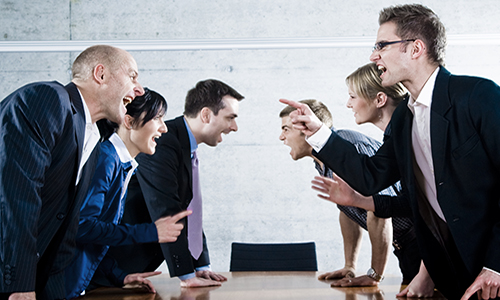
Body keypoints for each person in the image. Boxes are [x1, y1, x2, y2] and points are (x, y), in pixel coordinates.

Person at [282, 3, 500, 300]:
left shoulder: (478, 95)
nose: (374, 56)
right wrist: (319, 132)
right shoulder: (404, 119)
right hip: (456, 276)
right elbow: (371, 177)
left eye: (382, 45)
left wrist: (495, 266)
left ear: (415, 48)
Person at [0, 45, 144, 300]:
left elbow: (63, 228)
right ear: (100, 74)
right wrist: (20, 287)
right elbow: (18, 198)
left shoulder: (92, 135)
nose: (139, 89)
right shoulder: (48, 98)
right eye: (132, 76)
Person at [90, 79, 244, 289]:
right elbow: (166, 208)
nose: (234, 127)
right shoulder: (161, 142)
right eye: (230, 118)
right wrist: (186, 275)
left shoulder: (184, 147)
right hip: (110, 265)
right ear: (206, 115)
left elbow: (190, 210)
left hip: (120, 271)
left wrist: (201, 265)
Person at [64, 88, 192, 299]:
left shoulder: (120, 164)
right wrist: (151, 231)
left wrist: (120, 276)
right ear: (129, 122)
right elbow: (82, 227)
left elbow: (93, 239)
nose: (164, 128)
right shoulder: (106, 160)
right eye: (157, 118)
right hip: (59, 285)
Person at [279, 99, 419, 288]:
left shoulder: (347, 145)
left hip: (423, 245)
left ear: (305, 127)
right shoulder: (322, 159)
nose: (281, 137)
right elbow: (349, 208)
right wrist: (349, 265)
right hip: (404, 247)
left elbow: (379, 212)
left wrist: (374, 276)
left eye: (286, 129)